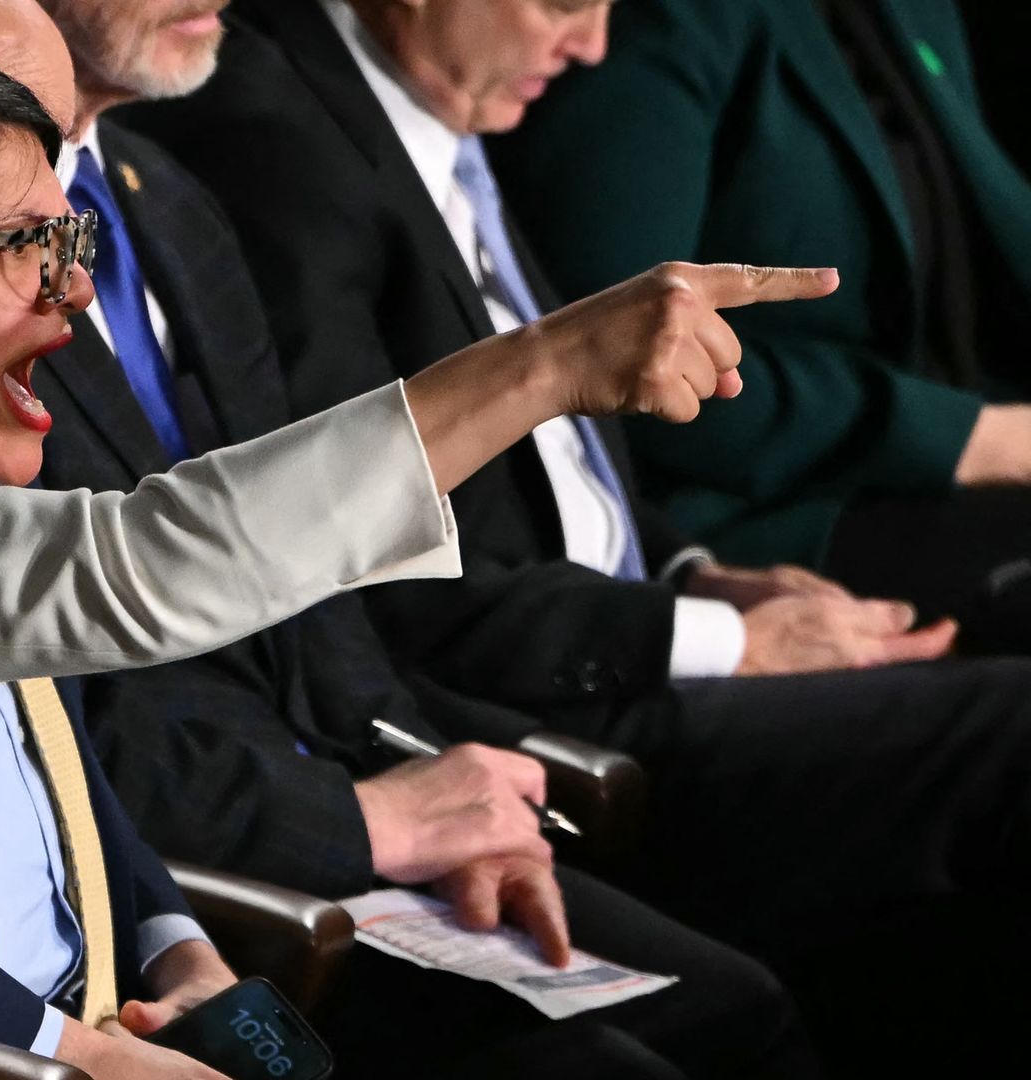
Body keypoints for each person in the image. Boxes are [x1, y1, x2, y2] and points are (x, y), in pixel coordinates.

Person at [120, 0, 1031, 1070]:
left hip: (587, 640)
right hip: (547, 707)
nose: (594, 44)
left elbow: (558, 477)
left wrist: (707, 577)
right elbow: (389, 574)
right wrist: (723, 641)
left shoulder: (432, 103)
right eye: (562, 4)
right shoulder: (273, 147)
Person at [22, 1, 813, 1074]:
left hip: (338, 802)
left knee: (733, 1008)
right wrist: (359, 824)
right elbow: (42, 701)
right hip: (208, 881)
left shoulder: (160, 199)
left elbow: (315, 588)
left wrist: (437, 781)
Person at [489, 0, 1031, 652]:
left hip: (927, 471)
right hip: (752, 514)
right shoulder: (650, 22)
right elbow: (621, 353)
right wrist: (969, 438)